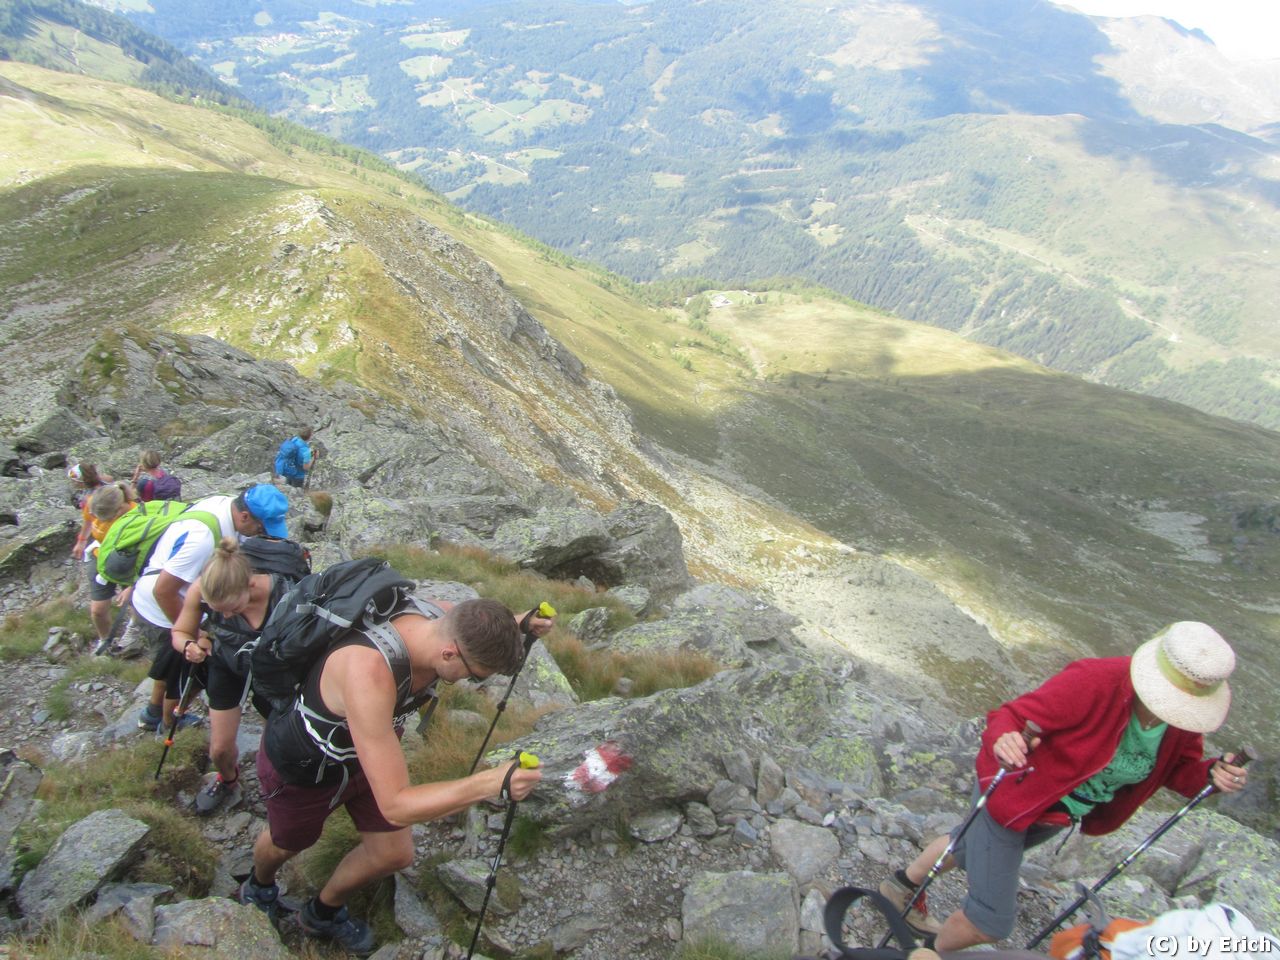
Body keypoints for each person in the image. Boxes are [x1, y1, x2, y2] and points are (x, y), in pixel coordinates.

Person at [880, 622, 1250, 951]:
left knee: (967, 844)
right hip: (1016, 796)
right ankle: (928, 952)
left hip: (1058, 813)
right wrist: (1005, 737)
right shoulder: (1096, 680)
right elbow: (1010, 716)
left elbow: (1179, 772)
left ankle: (900, 888)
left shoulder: (1182, 719)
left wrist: (1210, 777)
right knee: (990, 921)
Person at [237, 597, 551, 954]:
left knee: (393, 854)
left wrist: (518, 621)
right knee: (287, 842)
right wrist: (489, 783)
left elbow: (471, 622)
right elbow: (396, 807)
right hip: (303, 767)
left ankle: (322, 911)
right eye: (477, 674)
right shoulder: (369, 672)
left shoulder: (436, 618)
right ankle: (258, 885)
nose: (475, 681)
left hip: (365, 758)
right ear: (449, 654)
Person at [132, 485, 290, 733]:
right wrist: (195, 633)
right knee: (183, 665)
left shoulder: (227, 505)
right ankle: (166, 720)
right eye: (261, 527)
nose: (261, 533)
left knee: (174, 662)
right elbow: (163, 591)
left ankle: (155, 712)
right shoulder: (202, 539)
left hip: (195, 598)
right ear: (245, 516)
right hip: (162, 605)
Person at [171, 537, 288, 815]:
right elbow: (179, 633)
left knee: (280, 746)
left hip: (273, 671)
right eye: (217, 610)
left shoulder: (286, 593)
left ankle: (281, 790)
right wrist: (189, 647)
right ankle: (227, 779)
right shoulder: (201, 590)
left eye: (232, 609)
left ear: (250, 584)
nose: (223, 615)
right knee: (220, 750)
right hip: (225, 663)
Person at [86, 483, 139, 649]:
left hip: (128, 561)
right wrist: (81, 540)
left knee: (134, 603)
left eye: (106, 518)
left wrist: (132, 585)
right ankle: (105, 641)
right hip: (100, 557)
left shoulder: (137, 515)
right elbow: (87, 522)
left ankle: (133, 630)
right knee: (98, 610)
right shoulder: (94, 503)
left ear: (118, 510)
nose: (100, 521)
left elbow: (144, 551)